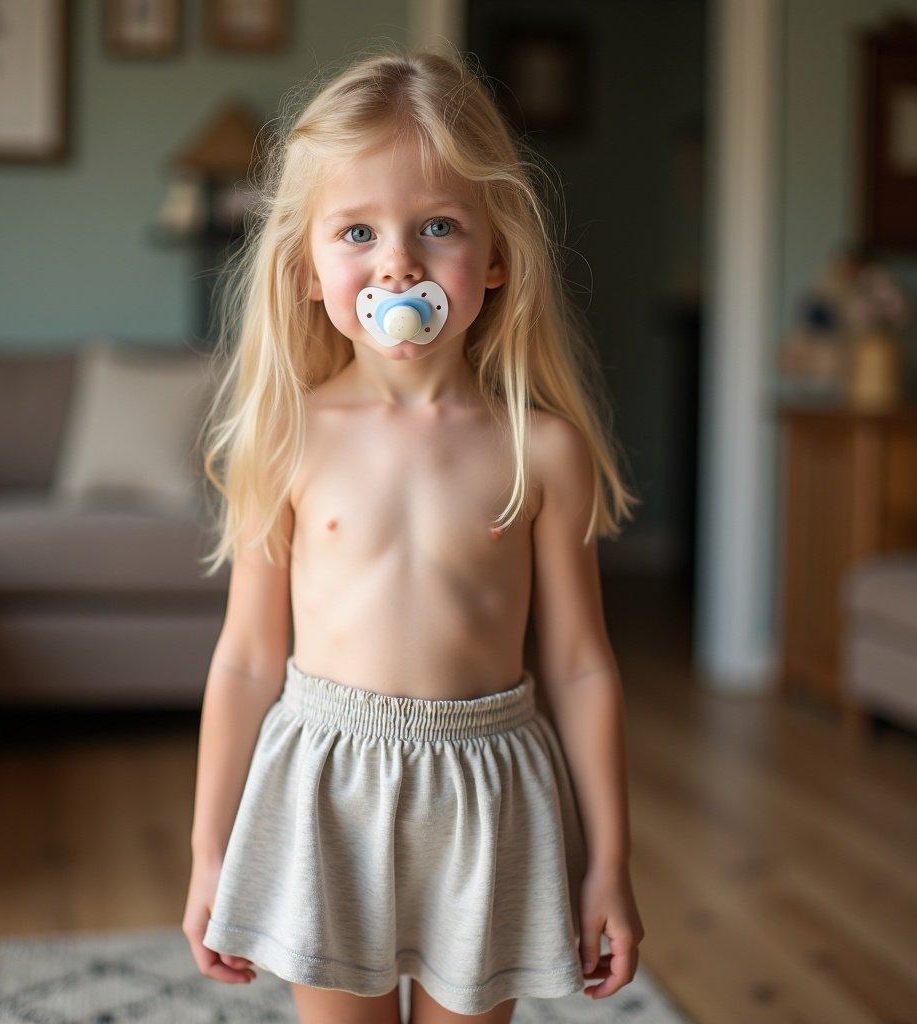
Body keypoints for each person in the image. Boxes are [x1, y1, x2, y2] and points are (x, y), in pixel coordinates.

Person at [183, 43, 645, 1024]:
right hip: (326, 784)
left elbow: (579, 664)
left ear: (494, 260)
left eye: (436, 225)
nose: (396, 260)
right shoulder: (287, 438)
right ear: (309, 268)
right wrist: (209, 848)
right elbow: (246, 657)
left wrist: (608, 859)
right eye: (357, 230)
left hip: (489, 790)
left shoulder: (541, 451)